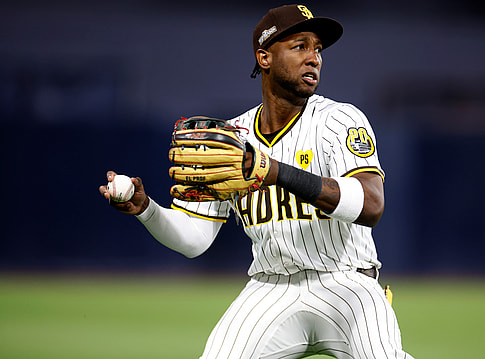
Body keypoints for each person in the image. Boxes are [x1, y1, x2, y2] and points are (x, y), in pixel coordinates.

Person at [100, 4, 414, 359]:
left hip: (348, 283)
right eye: (300, 46)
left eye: (318, 49)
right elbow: (194, 239)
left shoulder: (339, 120)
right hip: (271, 287)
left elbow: (371, 206)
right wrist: (146, 209)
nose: (314, 58)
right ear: (264, 57)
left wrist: (274, 170)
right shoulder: (230, 139)